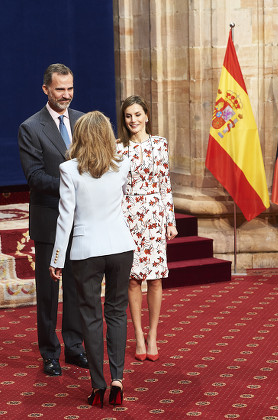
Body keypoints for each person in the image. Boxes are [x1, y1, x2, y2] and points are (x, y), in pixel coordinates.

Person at [49, 111, 135, 407]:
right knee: (117, 312)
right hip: (121, 246)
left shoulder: (69, 169)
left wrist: (57, 258)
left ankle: (98, 386)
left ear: (80, 135)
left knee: (91, 315)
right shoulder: (122, 164)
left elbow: (65, 218)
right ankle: (118, 380)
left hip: (86, 251)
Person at [18, 63, 88, 376]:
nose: (66, 95)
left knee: (77, 289)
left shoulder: (83, 121)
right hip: (49, 221)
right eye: (60, 89)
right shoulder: (31, 127)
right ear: (46, 89)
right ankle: (49, 353)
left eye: (70, 88)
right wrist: (74, 185)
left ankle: (74, 349)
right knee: (49, 292)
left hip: (82, 221)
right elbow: (35, 177)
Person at [117, 95, 178, 362]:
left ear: (147, 116)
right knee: (133, 279)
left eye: (138, 114)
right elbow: (116, 189)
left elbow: (165, 184)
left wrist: (171, 220)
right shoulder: (119, 148)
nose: (133, 120)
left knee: (155, 278)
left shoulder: (160, 145)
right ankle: (138, 336)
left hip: (155, 215)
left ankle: (153, 335)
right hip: (129, 216)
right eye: (129, 116)